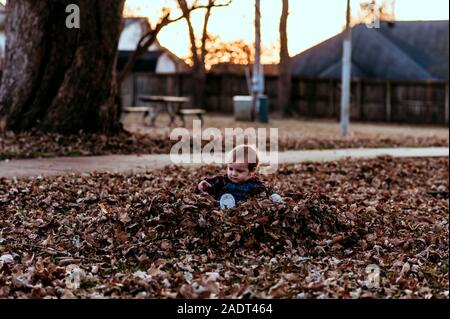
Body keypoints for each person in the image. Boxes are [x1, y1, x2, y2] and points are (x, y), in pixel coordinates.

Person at [197, 145, 283, 209]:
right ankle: (227, 207)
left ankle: (275, 202)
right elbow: (213, 186)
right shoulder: (223, 180)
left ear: (251, 172)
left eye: (239, 171)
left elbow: (263, 190)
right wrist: (206, 185)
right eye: (230, 169)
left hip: (244, 209)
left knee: (264, 198)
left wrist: (269, 195)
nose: (233, 173)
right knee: (221, 200)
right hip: (222, 206)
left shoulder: (254, 184)